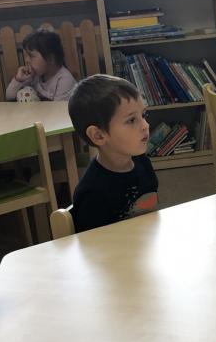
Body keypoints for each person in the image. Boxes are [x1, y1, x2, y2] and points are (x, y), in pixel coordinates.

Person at [67, 74, 158, 233]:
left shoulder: (143, 163)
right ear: (98, 136)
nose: (145, 125)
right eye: (131, 120)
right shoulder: (92, 193)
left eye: (143, 115)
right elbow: (93, 245)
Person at [5, 28, 76, 102]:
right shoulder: (35, 75)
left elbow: (58, 109)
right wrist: (18, 79)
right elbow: (9, 96)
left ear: (50, 59)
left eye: (31, 56)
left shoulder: (65, 81)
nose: (26, 60)